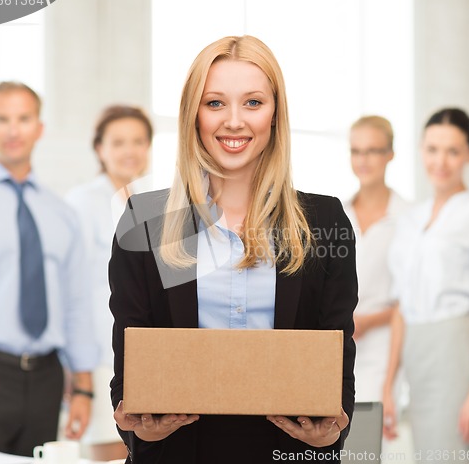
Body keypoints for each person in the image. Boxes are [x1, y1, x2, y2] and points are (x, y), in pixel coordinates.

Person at [109, 35, 358, 463]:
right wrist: (141, 427)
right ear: (194, 115)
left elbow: (338, 356)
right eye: (215, 103)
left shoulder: (323, 223)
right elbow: (129, 355)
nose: (235, 121)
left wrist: (328, 437)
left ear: (276, 115)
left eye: (254, 103)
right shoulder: (145, 222)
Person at [0, 82, 98, 457]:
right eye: (2, 119)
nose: (13, 130)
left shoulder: (60, 214)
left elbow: (76, 303)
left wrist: (83, 387)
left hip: (47, 379)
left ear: (39, 129)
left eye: (23, 118)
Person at [382, 108, 469, 461]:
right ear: (421, 151)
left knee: (454, 455)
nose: (441, 161)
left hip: (457, 351)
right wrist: (388, 388)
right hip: (415, 354)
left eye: (453, 151)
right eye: (433, 149)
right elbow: (400, 308)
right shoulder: (410, 220)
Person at [66, 105, 153, 461]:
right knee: (106, 453)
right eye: (118, 142)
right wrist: (79, 375)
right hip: (102, 357)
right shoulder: (80, 204)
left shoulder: (159, 202)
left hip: (149, 356)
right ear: (100, 149)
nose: (129, 150)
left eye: (138, 141)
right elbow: (73, 292)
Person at [343, 116, 409, 402]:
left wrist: (367, 322)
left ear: (390, 154)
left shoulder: (409, 218)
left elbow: (408, 301)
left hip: (384, 349)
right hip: (341, 345)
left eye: (372, 150)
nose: (363, 160)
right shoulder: (337, 214)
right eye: (356, 151)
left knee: (369, 440)